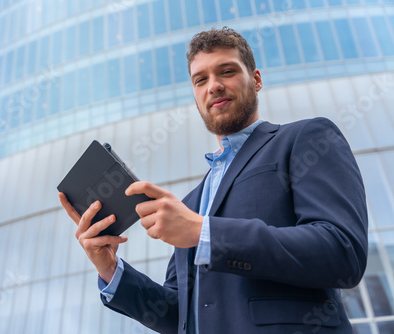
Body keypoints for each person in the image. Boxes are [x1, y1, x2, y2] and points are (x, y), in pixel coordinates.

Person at [59, 27, 368, 334]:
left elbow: (343, 252)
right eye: (201, 80)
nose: (214, 86)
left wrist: (204, 232)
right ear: (196, 97)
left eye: (227, 71)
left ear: (256, 80)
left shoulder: (305, 138)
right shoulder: (192, 202)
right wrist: (110, 269)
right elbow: (178, 312)